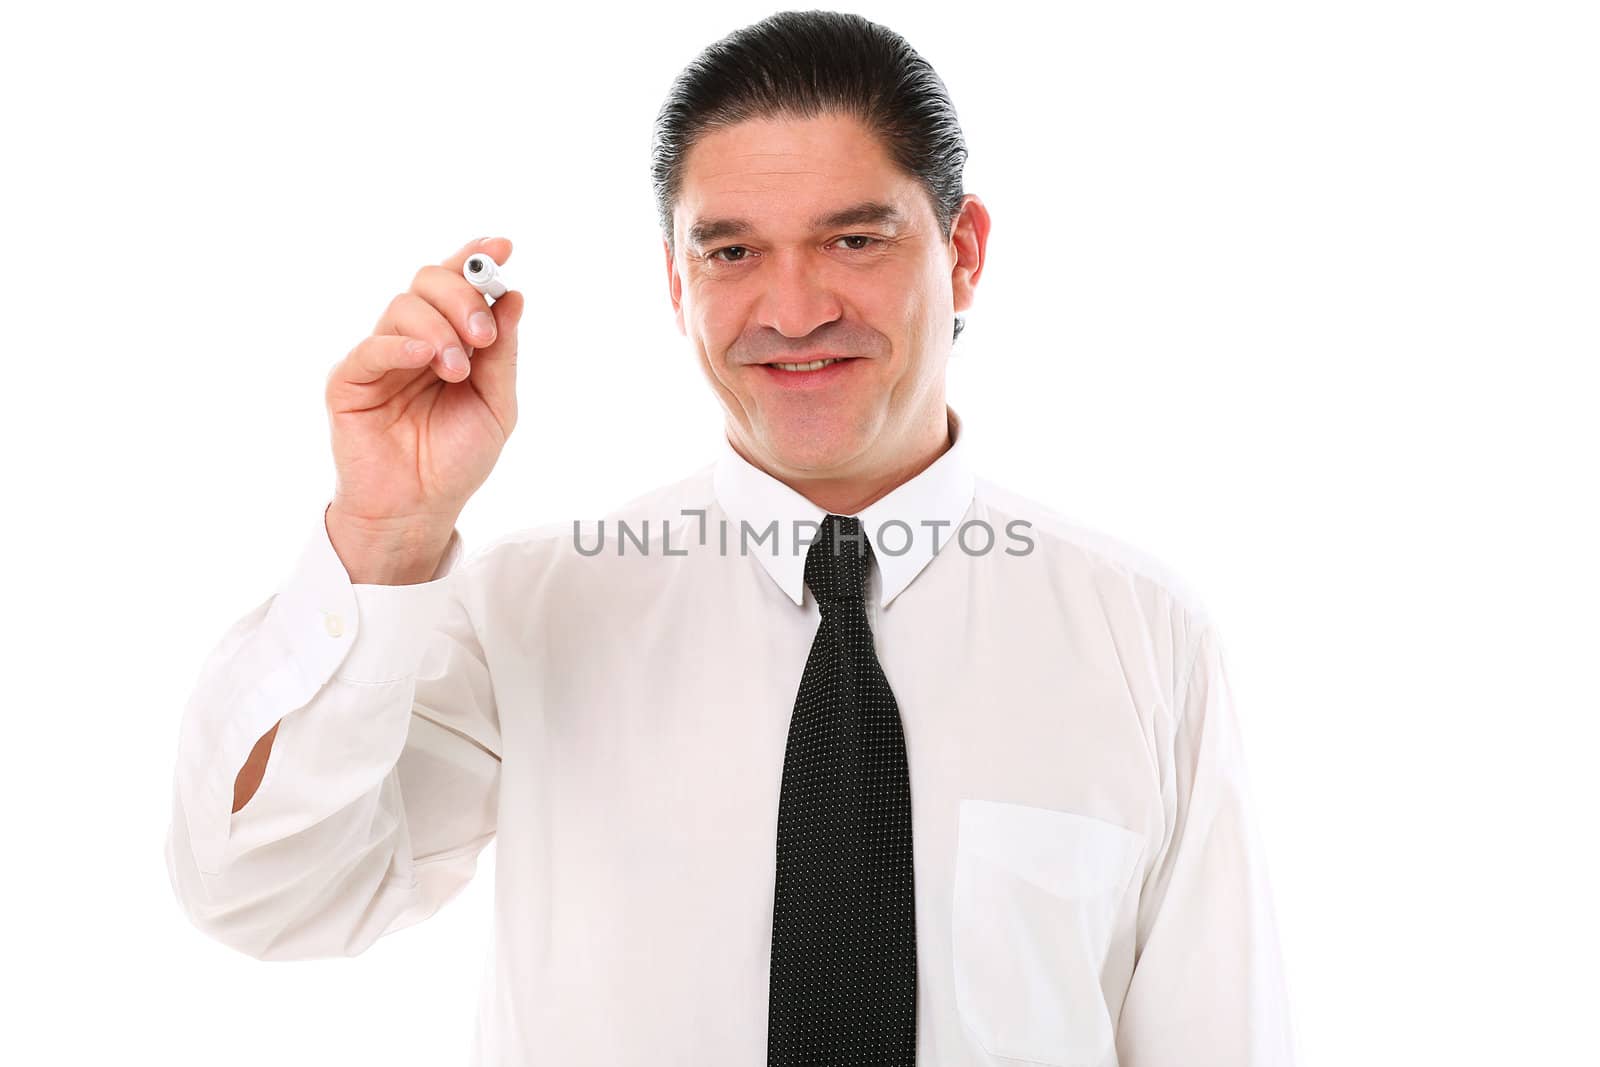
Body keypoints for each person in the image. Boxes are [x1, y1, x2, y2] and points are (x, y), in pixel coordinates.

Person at [164, 10, 1295, 1066]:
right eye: (732, 252)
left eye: (854, 239)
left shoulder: (1142, 636)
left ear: (963, 252)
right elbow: (264, 891)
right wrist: (384, 533)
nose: (793, 309)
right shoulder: (528, 610)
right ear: (674, 279)